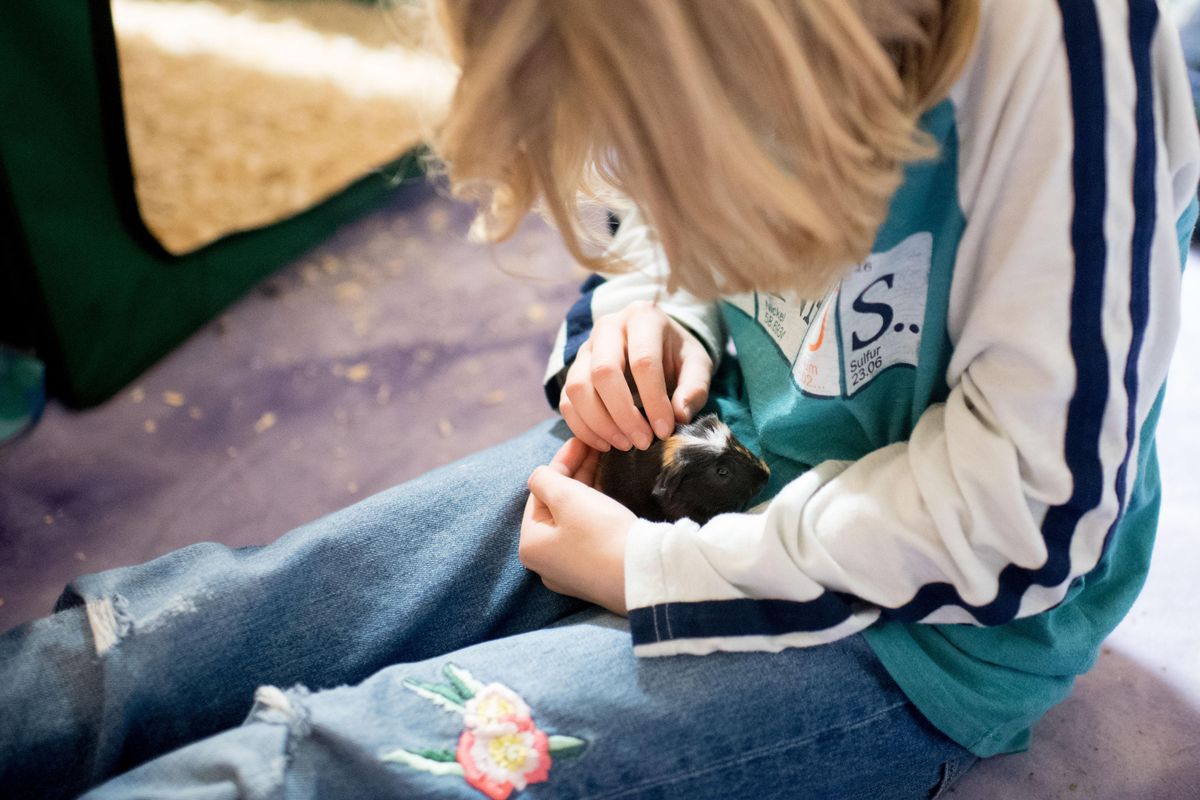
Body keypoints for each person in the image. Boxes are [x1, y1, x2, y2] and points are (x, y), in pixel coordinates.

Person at [2, 1, 1197, 797]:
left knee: (334, 765)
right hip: (717, 438)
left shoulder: (1074, 50)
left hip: (923, 627)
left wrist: (662, 575)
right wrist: (649, 311)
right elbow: (643, 204)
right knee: (181, 636)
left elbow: (1032, 513)